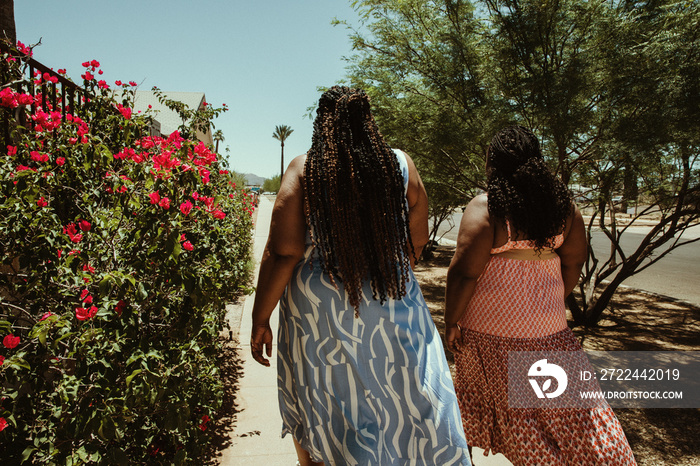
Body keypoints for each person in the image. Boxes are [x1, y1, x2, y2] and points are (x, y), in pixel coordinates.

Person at [251, 86, 471, 466]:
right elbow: (415, 243)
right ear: (369, 121)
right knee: (408, 392)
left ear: (321, 123)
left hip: (321, 313)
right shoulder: (399, 164)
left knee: (328, 399)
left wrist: (260, 317)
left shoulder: (306, 168)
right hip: (392, 296)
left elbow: (283, 252)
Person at [444, 125, 637, 465]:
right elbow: (574, 261)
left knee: (519, 418)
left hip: (491, 334)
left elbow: (464, 273)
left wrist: (450, 322)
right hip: (550, 331)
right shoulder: (564, 210)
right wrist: (550, 301)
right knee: (569, 410)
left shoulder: (488, 207)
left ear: (494, 162)